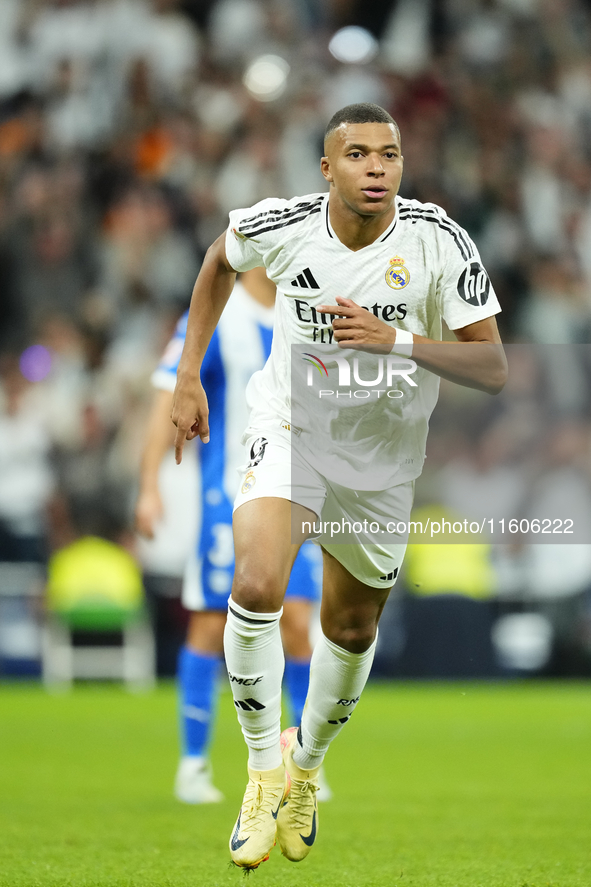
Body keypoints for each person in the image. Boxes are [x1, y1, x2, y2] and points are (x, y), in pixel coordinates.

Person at [171, 102, 507, 869]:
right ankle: (260, 773)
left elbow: (493, 368)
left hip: (383, 459)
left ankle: (305, 764)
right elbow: (220, 260)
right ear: (327, 169)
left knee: (350, 630)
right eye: (357, 154)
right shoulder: (284, 224)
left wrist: (397, 339)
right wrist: (188, 373)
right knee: (256, 582)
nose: (376, 167)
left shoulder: (437, 240)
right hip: (291, 429)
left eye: (387, 154)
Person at [135, 267, 327, 804]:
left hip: (296, 492)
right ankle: (193, 765)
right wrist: (148, 485)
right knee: (211, 623)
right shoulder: (216, 317)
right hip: (231, 495)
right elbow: (165, 398)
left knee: (297, 624)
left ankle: (304, 763)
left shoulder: (306, 311)